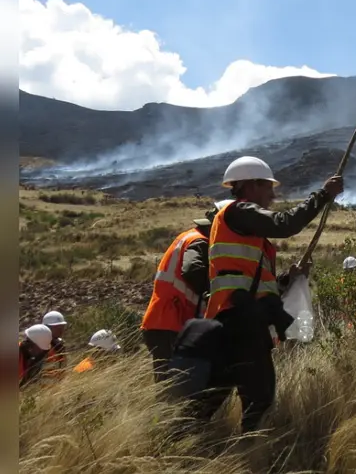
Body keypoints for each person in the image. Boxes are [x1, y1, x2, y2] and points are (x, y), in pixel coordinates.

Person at [197, 155, 343, 433]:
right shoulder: (240, 212)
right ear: (250, 185)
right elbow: (285, 224)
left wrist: (289, 279)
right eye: (268, 188)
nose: (273, 196)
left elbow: (251, 282)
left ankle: (179, 443)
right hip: (242, 323)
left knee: (212, 397)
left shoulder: (240, 228)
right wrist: (323, 195)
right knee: (260, 398)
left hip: (229, 320)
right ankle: (253, 455)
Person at [139, 205, 219, 382]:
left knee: (168, 387)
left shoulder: (189, 236)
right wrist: (213, 291)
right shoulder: (201, 242)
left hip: (162, 321)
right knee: (176, 389)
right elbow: (192, 269)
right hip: (172, 321)